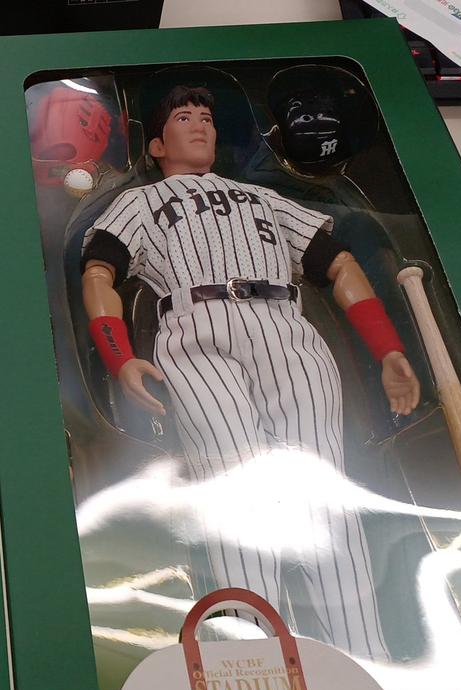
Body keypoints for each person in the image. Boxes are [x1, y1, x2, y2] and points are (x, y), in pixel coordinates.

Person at [80, 85, 419, 660]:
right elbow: (99, 272)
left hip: (286, 326)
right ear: (156, 145)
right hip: (194, 328)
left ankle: (367, 661)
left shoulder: (263, 197)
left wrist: (387, 349)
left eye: (206, 118)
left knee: (322, 492)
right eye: (183, 117)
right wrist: (119, 357)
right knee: (233, 491)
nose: (199, 125)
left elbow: (339, 264)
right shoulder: (139, 201)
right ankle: (256, 664)